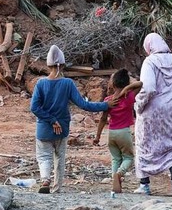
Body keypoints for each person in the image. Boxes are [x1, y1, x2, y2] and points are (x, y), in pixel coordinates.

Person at [30, 45, 119, 194]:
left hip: (44, 129)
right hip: (63, 128)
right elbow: (84, 104)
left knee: (44, 156)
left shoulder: (40, 83)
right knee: (60, 157)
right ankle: (57, 187)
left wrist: (51, 120)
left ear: (48, 64)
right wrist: (105, 105)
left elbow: (35, 108)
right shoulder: (68, 83)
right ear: (63, 65)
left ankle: (45, 179)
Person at [134, 33, 172, 197]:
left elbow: (149, 88)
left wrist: (138, 104)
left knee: (144, 143)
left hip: (152, 111)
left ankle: (144, 185)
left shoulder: (150, 62)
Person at [93, 69, 143, 194]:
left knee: (116, 158)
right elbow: (141, 84)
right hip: (124, 132)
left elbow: (103, 119)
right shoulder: (129, 96)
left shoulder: (108, 100)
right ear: (126, 83)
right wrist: (128, 88)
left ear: (113, 84)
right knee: (128, 157)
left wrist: (97, 136)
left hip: (112, 133)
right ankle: (119, 174)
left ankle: (115, 182)